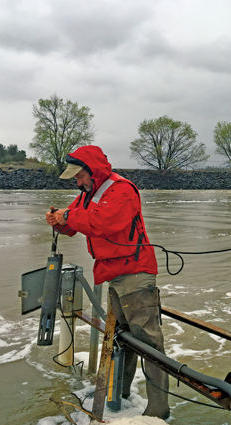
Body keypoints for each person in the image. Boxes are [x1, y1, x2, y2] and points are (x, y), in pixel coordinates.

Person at [45, 145, 169, 420]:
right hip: (114, 274)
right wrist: (58, 222)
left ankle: (158, 410)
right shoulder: (89, 194)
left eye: (79, 176)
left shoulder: (122, 190)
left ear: (93, 171)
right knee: (124, 339)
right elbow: (76, 224)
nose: (76, 182)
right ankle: (121, 396)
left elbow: (104, 222)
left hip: (136, 274)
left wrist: (68, 215)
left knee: (149, 343)